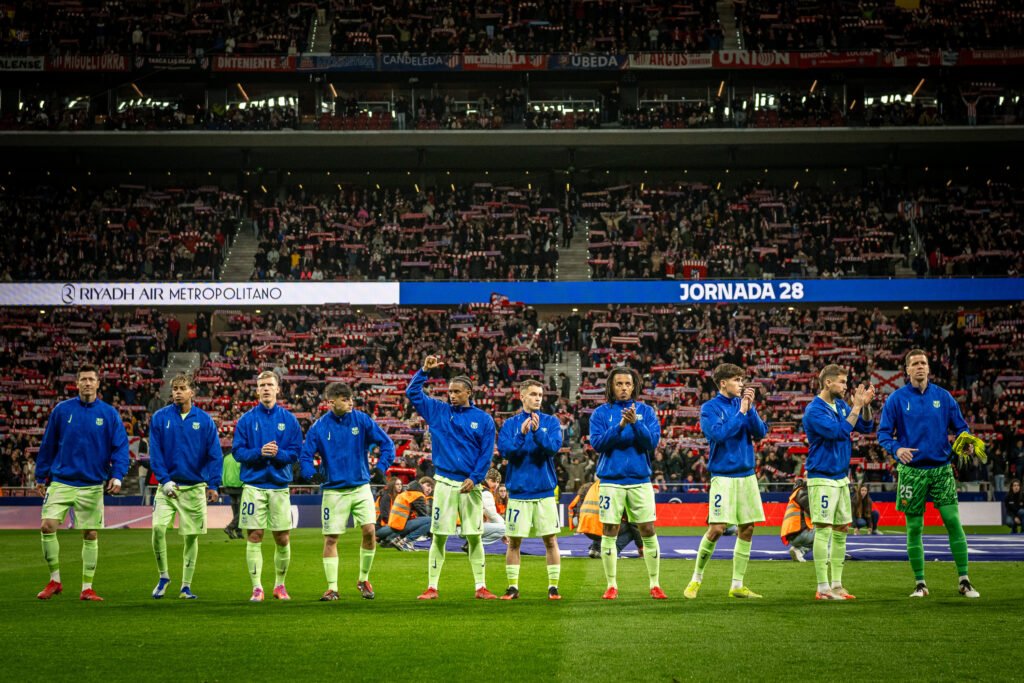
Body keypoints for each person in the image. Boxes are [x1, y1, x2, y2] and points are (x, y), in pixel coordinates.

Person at [877, 348, 981, 598]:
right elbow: (883, 434)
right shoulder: (896, 399)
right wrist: (896, 448)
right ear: (907, 370)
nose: (920, 367)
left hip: (941, 469)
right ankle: (920, 583)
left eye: (923, 363)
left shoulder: (944, 397)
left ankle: (964, 580)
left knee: (953, 521)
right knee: (914, 528)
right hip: (911, 472)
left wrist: (966, 442)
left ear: (929, 368)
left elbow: (961, 428)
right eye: (915, 364)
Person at [35, 365, 130, 601]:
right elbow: (48, 444)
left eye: (91, 379)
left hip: (92, 483)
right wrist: (40, 475)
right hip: (62, 480)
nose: (87, 383)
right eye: (83, 379)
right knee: (47, 526)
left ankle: (87, 588)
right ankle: (55, 581)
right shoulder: (62, 410)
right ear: (77, 383)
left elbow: (120, 448)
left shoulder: (109, 414)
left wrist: (117, 475)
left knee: (90, 533)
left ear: (98, 383)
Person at [407, 354, 497, 600]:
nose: (452, 395)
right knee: (439, 535)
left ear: (469, 392)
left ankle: (480, 587)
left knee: (474, 536)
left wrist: (475, 478)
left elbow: (486, 454)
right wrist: (424, 371)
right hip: (445, 482)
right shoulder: (438, 411)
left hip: (470, 484)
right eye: (450, 392)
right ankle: (432, 587)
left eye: (457, 392)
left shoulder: (483, 419)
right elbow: (412, 393)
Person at [300, 382, 395, 601]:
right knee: (331, 538)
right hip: (334, 491)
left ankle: (364, 579)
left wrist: (381, 468)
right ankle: (332, 588)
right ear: (331, 402)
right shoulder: (319, 427)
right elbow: (305, 455)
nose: (351, 402)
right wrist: (310, 474)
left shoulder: (361, 420)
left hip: (361, 487)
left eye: (351, 398)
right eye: (345, 399)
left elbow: (387, 444)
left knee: (370, 531)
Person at [687, 363, 768, 600]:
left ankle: (737, 585)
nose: (741, 384)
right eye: (737, 380)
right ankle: (696, 579)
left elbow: (761, 433)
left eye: (742, 380)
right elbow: (718, 435)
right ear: (723, 383)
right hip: (723, 476)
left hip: (747, 474)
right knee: (717, 529)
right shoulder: (709, 408)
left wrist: (749, 409)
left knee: (748, 528)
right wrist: (741, 412)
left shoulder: (744, 405)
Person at [588, 366, 665, 600]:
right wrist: (620, 426)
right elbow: (598, 444)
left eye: (627, 384)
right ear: (611, 386)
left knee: (648, 529)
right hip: (611, 480)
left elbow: (651, 443)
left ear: (634, 386)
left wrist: (635, 424)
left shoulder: (646, 412)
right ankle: (611, 585)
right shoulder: (600, 413)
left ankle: (655, 584)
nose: (623, 388)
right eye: (619, 384)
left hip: (640, 480)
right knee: (610, 530)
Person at [801, 364, 875, 600]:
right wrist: (856, 407)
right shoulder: (814, 410)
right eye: (842, 382)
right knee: (823, 530)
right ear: (828, 383)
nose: (845, 386)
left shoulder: (841, 405)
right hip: (822, 477)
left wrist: (865, 406)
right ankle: (822, 588)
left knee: (842, 529)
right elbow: (838, 432)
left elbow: (865, 426)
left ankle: (837, 585)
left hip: (841, 477)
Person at [148, 373, 223, 600]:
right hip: (168, 486)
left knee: (191, 537)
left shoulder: (205, 420)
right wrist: (164, 480)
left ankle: (186, 586)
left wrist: (213, 484)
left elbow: (215, 454)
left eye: (182, 388)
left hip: (194, 487)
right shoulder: (160, 418)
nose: (178, 392)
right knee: (158, 528)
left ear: (192, 392)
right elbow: (155, 452)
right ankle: (163, 576)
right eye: (175, 389)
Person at [232, 370, 303, 602]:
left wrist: (278, 454)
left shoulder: (289, 420)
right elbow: (238, 452)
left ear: (277, 389)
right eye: (261, 385)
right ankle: (257, 588)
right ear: (257, 390)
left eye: (269, 385)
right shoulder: (246, 420)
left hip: (279, 486)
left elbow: (296, 453)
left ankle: (280, 585)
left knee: (282, 537)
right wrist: (259, 452)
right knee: (254, 535)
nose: (265, 389)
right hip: (254, 486)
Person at [496, 379, 564, 600]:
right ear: (522, 396)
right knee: (514, 542)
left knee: (550, 540)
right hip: (519, 493)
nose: (537, 398)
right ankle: (512, 587)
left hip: (544, 492)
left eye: (540, 395)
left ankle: (553, 587)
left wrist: (536, 432)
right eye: (533, 394)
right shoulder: (510, 425)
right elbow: (505, 452)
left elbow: (553, 448)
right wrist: (521, 435)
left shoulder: (551, 422)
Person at [780, 479, 813, 562]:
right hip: (800, 532)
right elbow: (814, 513)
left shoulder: (794, 496)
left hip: (792, 535)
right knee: (826, 531)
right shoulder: (802, 493)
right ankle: (830, 555)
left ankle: (798, 550)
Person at [568, 479, 603, 558]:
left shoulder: (580, 497)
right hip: (590, 522)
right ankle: (601, 550)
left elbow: (574, 508)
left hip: (579, 522)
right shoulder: (595, 495)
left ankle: (593, 549)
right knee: (605, 531)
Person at [477, 469, 507, 547]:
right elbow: (492, 515)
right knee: (505, 529)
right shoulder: (486, 492)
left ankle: (472, 542)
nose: (496, 485)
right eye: (495, 482)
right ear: (489, 480)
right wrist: (503, 523)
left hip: (464, 525)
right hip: (472, 528)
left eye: (498, 482)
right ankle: (474, 543)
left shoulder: (478, 486)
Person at [220, 451, 244, 539]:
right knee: (242, 511)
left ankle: (239, 532)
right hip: (239, 485)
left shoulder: (226, 457)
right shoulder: (241, 456)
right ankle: (230, 527)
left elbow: (223, 471)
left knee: (236, 511)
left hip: (228, 486)